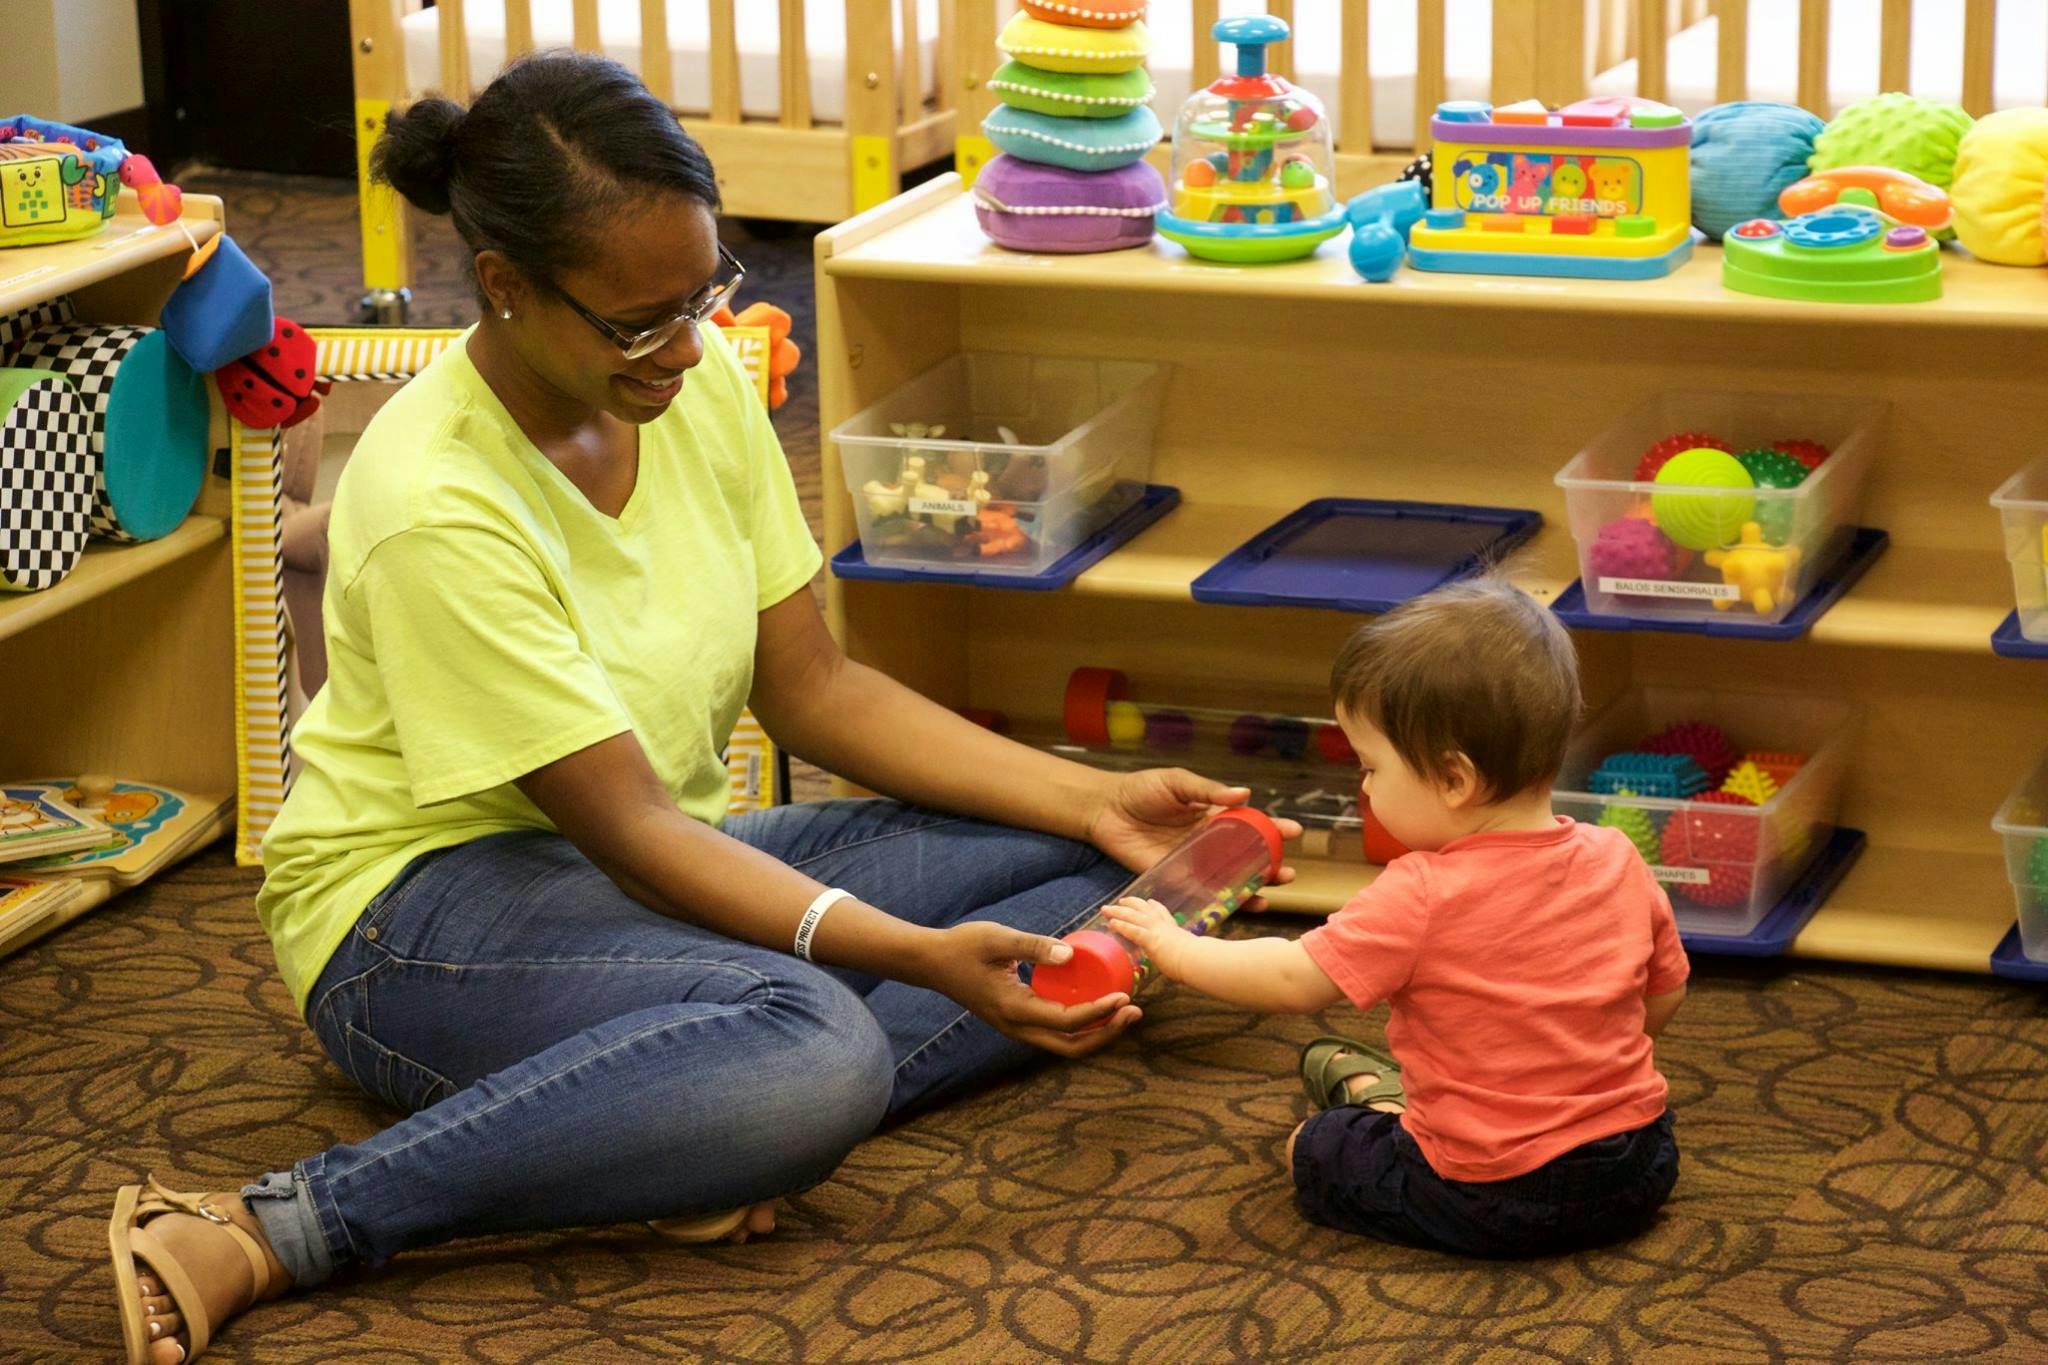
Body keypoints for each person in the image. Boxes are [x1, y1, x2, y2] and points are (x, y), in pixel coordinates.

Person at [106, 52, 1296, 1364]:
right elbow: (629, 830)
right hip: (413, 921)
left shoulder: (695, 378)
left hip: (654, 864)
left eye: (702, 295)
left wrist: (1095, 795)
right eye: (637, 323)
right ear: (505, 285)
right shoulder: (435, 503)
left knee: (1112, 874)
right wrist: (909, 955)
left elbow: (815, 688)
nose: (682, 347)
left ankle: (678, 1127)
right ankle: (284, 1224)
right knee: (821, 1044)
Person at [1104, 580, 1686, 1257]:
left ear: (1454, 779)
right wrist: (1574, 1064)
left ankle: (1383, 1103)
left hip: (1494, 1196)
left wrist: (1174, 948)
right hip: (1638, 1166)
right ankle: (1394, 1098)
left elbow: (1293, 977)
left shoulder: (1423, 890)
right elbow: (1664, 992)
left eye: (1371, 767)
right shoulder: (1617, 856)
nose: (1365, 787)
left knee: (1313, 1146)